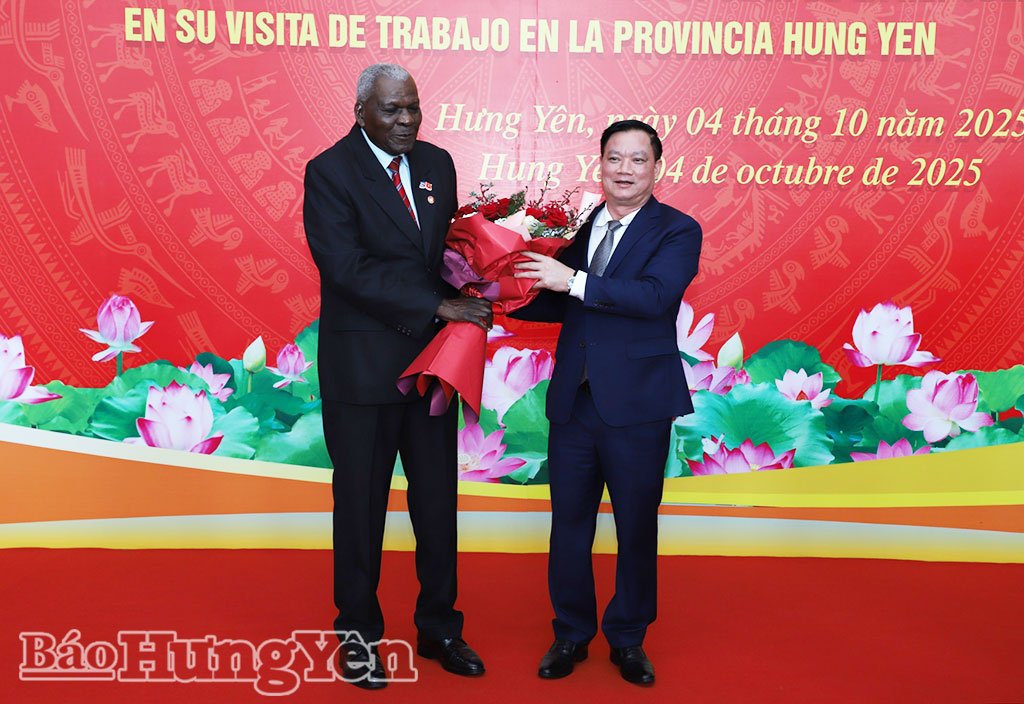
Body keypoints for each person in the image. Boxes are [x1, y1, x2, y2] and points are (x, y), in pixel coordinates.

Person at [302, 62, 491, 689]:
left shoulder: (437, 163)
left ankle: (440, 627)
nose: (406, 120)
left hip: (432, 371)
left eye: (412, 107)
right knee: (361, 510)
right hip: (363, 374)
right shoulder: (330, 172)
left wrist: (495, 271)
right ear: (361, 111)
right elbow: (344, 267)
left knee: (438, 506)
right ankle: (357, 638)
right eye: (391, 110)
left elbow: (445, 253)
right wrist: (438, 305)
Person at [513, 120, 702, 686]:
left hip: (638, 405)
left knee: (636, 527)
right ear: (598, 164)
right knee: (568, 526)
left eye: (637, 160)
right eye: (614, 158)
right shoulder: (583, 223)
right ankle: (570, 633)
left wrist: (570, 279)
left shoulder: (677, 230)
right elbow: (561, 301)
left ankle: (628, 639)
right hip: (575, 403)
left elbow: (653, 297)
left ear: (657, 169)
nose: (624, 170)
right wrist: (496, 292)